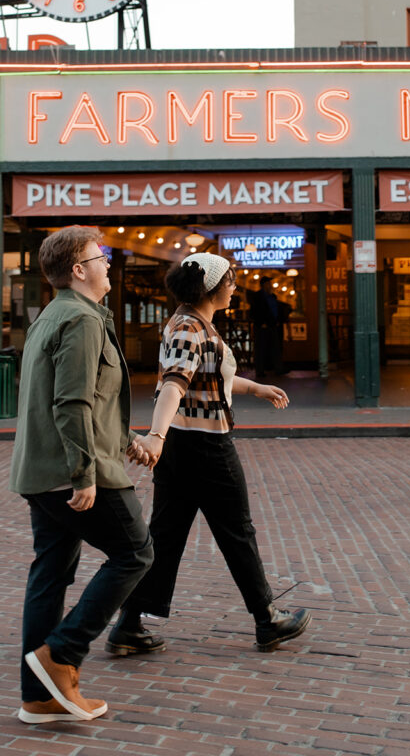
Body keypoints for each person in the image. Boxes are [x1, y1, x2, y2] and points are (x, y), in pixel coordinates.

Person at [105, 252, 311, 657]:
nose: (235, 288)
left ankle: (128, 624)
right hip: (203, 447)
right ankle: (266, 619)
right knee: (237, 531)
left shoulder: (192, 323)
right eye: (231, 281)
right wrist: (156, 436)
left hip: (183, 446)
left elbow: (211, 379)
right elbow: (174, 385)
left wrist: (258, 389)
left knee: (164, 537)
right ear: (212, 288)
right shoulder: (189, 327)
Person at [9, 226, 154, 725]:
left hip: (39, 470)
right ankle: (62, 654)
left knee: (49, 576)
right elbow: (69, 402)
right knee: (136, 552)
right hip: (70, 471)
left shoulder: (55, 314)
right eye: (102, 256)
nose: (108, 263)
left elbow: (90, 398)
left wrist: (125, 437)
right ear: (78, 269)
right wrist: (84, 474)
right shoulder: (82, 320)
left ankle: (38, 698)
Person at [251, 276, 291, 378]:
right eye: (269, 284)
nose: (271, 286)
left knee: (274, 348)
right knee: (262, 349)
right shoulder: (259, 297)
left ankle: (277, 368)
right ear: (264, 285)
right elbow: (255, 311)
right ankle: (261, 371)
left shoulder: (272, 296)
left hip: (272, 326)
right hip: (263, 327)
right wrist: (260, 323)